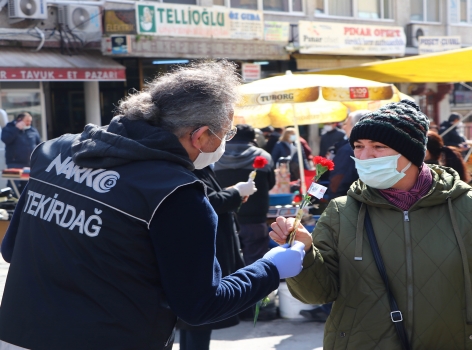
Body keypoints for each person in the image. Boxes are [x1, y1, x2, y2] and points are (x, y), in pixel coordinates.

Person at [0, 61, 306, 350]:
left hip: (16, 333)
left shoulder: (56, 150)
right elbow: (200, 305)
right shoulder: (177, 193)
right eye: (226, 133)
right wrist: (271, 267)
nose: (226, 141)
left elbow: (11, 248)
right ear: (199, 135)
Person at [271, 100, 472, 349]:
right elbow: (317, 294)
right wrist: (304, 254)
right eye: (359, 146)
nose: (365, 155)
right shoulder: (342, 211)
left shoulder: (470, 207)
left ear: (411, 153)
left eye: (378, 146)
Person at [178, 163, 255, 350]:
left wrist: (231, 192)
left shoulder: (200, 166)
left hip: (206, 246)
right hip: (199, 249)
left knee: (194, 320)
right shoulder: (187, 167)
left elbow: (209, 195)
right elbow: (206, 201)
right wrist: (235, 192)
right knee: (199, 316)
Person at [214, 124, 276, 265]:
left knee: (226, 262)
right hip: (255, 217)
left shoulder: (215, 156)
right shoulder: (263, 156)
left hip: (223, 216)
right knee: (256, 260)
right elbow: (271, 184)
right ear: (253, 137)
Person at [326, 110, 368, 200]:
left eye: (346, 124)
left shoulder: (348, 150)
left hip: (347, 202)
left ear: (356, 126)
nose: (343, 127)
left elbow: (337, 182)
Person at [1, 112, 41, 194]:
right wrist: (16, 129)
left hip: (29, 164)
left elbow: (39, 145)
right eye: (27, 121)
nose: (29, 123)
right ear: (19, 120)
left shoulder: (32, 130)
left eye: (30, 121)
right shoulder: (9, 128)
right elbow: (5, 139)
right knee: (13, 187)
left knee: (27, 188)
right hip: (14, 164)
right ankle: (13, 205)